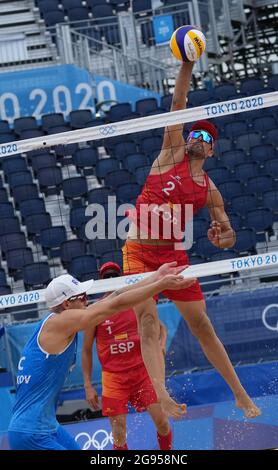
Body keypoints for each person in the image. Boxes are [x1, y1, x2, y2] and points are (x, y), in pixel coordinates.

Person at [122, 61, 261, 419]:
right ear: (187, 140)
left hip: (174, 258)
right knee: (148, 324)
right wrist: (187, 62)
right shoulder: (170, 154)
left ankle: (241, 395)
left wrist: (222, 238)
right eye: (195, 135)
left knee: (202, 326)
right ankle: (162, 394)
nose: (198, 139)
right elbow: (178, 102)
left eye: (206, 138)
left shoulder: (209, 189)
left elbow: (228, 235)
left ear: (212, 151)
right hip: (138, 252)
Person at [8, 263, 194, 450]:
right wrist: (161, 286)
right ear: (66, 304)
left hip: (47, 427)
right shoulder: (60, 322)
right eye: (82, 297)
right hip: (31, 434)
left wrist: (155, 277)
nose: (87, 301)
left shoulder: (58, 323)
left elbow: (115, 296)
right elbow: (114, 305)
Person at [82, 261, 172, 451]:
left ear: (121, 277)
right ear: (102, 281)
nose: (111, 279)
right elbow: (86, 350)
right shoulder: (97, 309)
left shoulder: (135, 302)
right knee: (119, 433)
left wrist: (161, 344)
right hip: (114, 378)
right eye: (107, 277)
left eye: (115, 275)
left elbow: (161, 328)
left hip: (142, 371)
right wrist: (88, 385)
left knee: (163, 423)